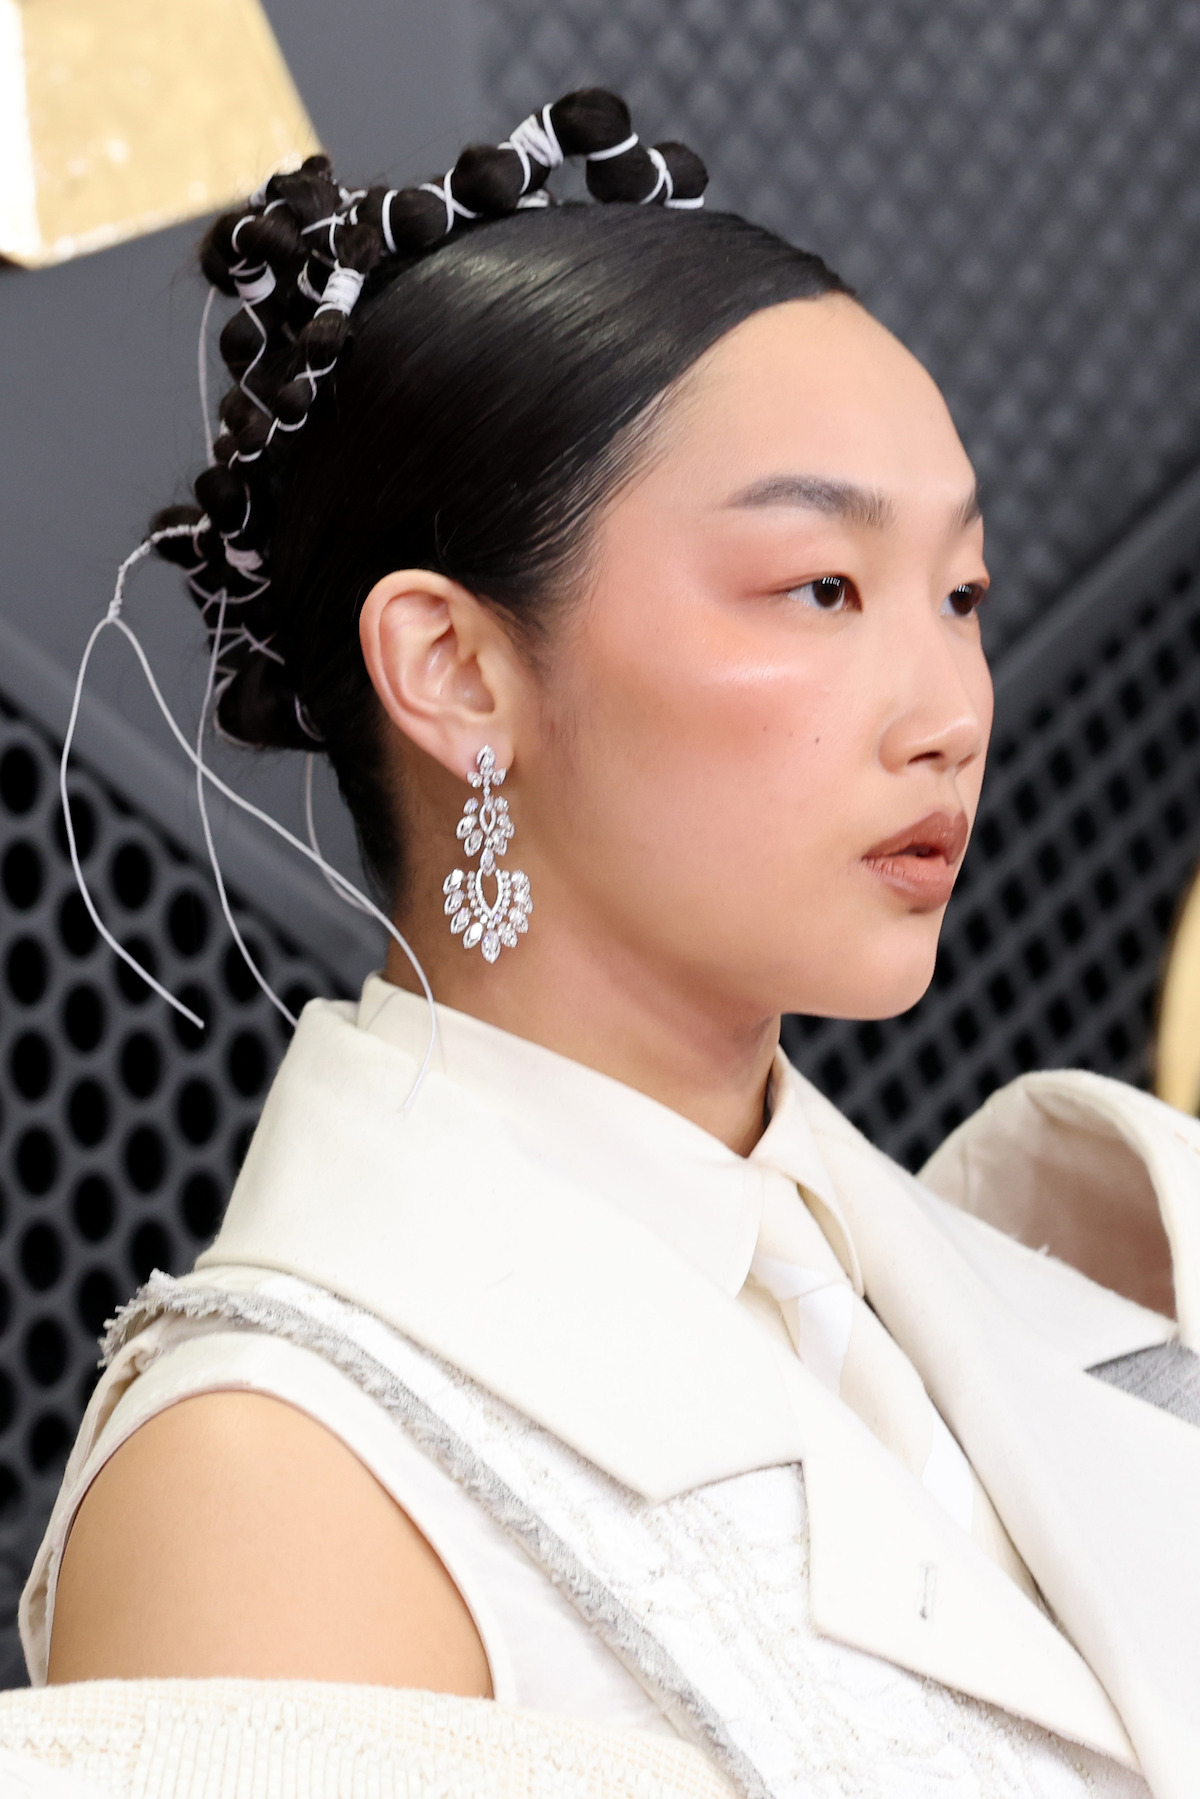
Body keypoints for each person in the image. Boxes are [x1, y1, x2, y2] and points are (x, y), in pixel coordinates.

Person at [19, 88, 1200, 1799]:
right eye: (818, 590)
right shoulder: (279, 1480)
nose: (951, 712)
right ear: (457, 670)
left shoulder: (1068, 1275)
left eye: (962, 597)